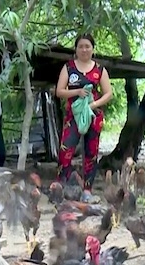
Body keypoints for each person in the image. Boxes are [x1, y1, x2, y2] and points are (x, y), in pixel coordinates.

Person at [55, 33, 113, 194]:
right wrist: (77, 92)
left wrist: (93, 105)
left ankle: (87, 189)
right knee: (65, 150)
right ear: (76, 49)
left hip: (93, 115)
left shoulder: (100, 69)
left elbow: (108, 93)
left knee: (91, 152)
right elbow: (59, 91)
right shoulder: (68, 68)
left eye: (87, 46)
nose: (84, 49)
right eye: (80, 46)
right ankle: (61, 185)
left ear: (93, 49)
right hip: (73, 115)